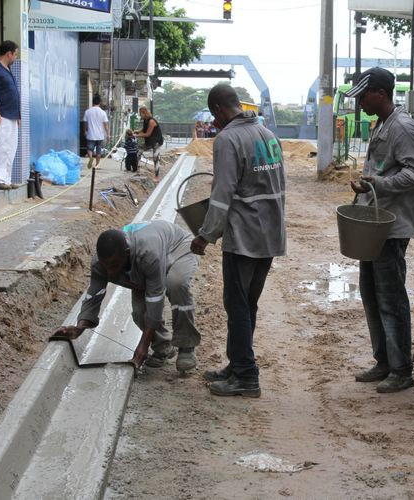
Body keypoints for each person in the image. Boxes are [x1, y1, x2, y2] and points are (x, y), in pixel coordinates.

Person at [191, 83, 286, 398]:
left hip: (244, 237)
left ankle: (246, 375)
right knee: (248, 304)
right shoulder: (267, 135)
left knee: (237, 304)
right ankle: (237, 364)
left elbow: (222, 195)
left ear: (218, 110)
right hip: (270, 235)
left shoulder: (228, 139)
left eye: (214, 116)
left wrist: (205, 235)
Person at [345, 67, 414, 393]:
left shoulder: (403, 129)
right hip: (373, 226)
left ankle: (401, 370)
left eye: (363, 97)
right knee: (372, 295)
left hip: (390, 229)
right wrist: (366, 185)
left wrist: (378, 183)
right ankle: (384, 361)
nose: (360, 103)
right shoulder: (382, 125)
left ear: (379, 93)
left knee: (390, 298)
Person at [53, 220, 201, 372]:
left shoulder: (148, 255)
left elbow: (155, 301)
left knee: (176, 284)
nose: (110, 273)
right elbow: (93, 296)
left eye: (115, 265)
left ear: (127, 253)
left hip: (178, 248)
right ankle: (163, 347)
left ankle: (186, 346)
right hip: (143, 264)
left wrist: (142, 347)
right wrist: (79, 328)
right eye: (106, 267)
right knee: (139, 313)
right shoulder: (100, 263)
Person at [0, 40, 21, 190]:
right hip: (2, 115)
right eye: (15, 54)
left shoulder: (7, 69)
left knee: (10, 148)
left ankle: (6, 178)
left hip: (12, 115)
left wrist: (18, 115)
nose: (15, 57)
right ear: (8, 54)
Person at [135, 106, 164, 177]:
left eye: (140, 113)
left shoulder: (151, 121)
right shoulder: (145, 120)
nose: (139, 115)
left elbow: (147, 134)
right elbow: (144, 128)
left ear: (144, 113)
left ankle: (156, 176)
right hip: (149, 141)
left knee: (155, 157)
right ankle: (138, 171)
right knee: (138, 152)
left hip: (156, 141)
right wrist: (138, 131)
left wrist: (137, 135)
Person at [83, 94, 110, 170]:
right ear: (100, 102)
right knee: (98, 150)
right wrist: (108, 134)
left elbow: (85, 123)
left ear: (92, 102)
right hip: (100, 135)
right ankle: (97, 164)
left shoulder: (87, 112)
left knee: (89, 149)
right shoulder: (103, 113)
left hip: (90, 134)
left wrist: (85, 131)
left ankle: (91, 158)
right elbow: (105, 125)